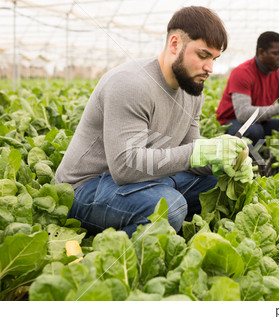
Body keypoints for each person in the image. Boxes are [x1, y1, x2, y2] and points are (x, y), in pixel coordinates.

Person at [55, 6, 252, 237]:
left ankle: (158, 226)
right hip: (85, 188)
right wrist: (199, 152)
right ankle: (119, 251)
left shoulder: (192, 91)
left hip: (143, 179)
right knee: (168, 208)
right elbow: (125, 167)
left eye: (214, 58)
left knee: (215, 182)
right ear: (175, 44)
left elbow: (190, 155)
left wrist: (225, 161)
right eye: (203, 55)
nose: (210, 67)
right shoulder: (130, 83)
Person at [216, 31, 279, 145]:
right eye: (276, 54)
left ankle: (264, 152)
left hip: (260, 122)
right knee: (255, 131)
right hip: (231, 122)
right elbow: (243, 114)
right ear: (261, 52)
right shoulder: (242, 73)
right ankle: (253, 157)